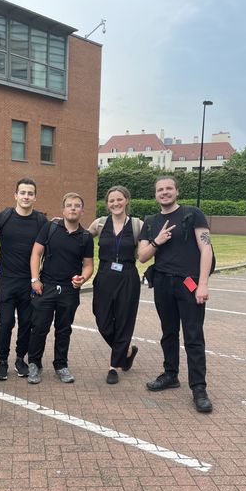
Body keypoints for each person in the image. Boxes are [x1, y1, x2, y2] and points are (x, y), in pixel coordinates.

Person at [138, 175, 213, 413]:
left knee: (193, 335)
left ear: (177, 191)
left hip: (189, 283)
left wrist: (203, 284)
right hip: (162, 283)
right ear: (156, 194)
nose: (164, 192)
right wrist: (157, 241)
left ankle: (199, 388)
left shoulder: (193, 214)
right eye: (160, 189)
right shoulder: (150, 221)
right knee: (168, 333)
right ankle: (170, 374)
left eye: (169, 188)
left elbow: (206, 248)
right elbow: (142, 256)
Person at [27, 192, 94, 384]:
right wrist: (34, 279)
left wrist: (83, 278)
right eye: (69, 205)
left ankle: (61, 365)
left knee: (63, 329)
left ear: (82, 211)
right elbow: (35, 254)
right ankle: (34, 363)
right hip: (45, 287)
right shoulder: (50, 228)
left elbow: (88, 265)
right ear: (63, 210)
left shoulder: (86, 237)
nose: (73, 208)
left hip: (69, 291)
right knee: (39, 328)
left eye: (77, 205)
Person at [0, 178, 48, 381]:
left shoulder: (41, 220)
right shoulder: (4, 216)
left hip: (29, 282)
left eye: (30, 193)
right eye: (22, 193)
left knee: (26, 323)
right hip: (6, 280)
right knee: (5, 322)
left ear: (35, 197)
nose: (26, 196)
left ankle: (19, 359)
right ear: (15, 195)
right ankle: (3, 361)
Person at [88, 186, 143, 384]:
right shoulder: (100, 224)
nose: (115, 203)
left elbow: (149, 250)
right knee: (102, 319)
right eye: (111, 201)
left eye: (119, 199)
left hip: (128, 276)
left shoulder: (138, 225)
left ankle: (114, 366)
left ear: (126, 200)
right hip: (104, 275)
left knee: (124, 320)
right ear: (107, 203)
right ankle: (126, 351)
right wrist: (61, 226)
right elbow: (80, 239)